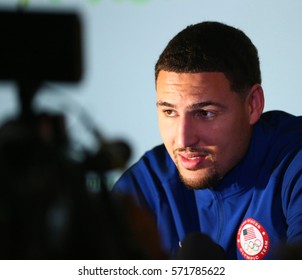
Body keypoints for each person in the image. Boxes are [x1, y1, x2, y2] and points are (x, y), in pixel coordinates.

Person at [112, 21, 302, 260]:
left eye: (205, 113)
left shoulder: (294, 162)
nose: (183, 139)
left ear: (253, 105)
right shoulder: (148, 184)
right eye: (169, 112)